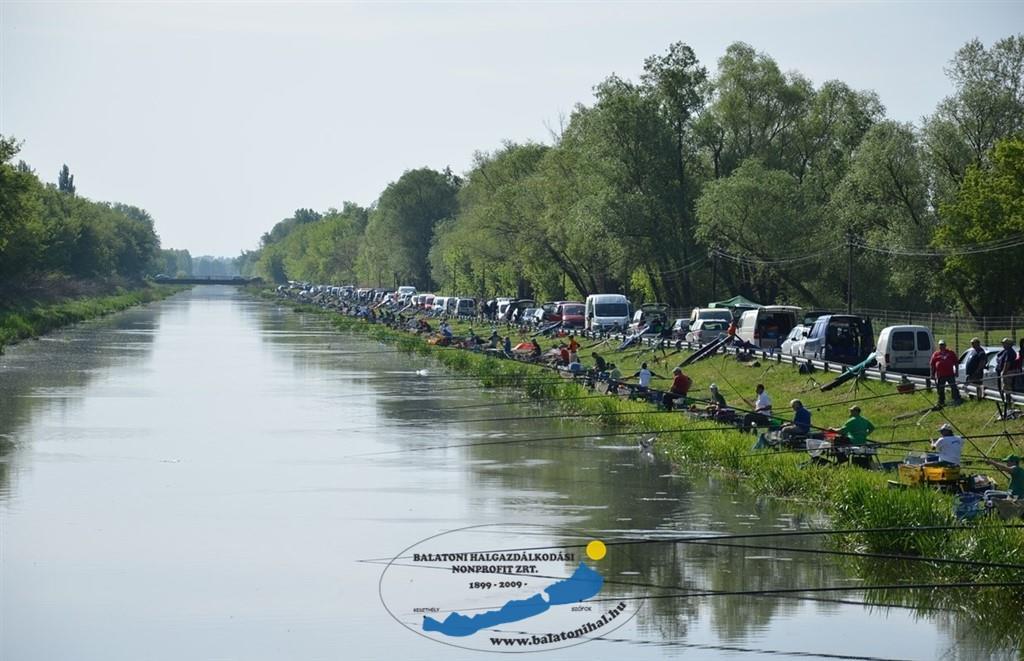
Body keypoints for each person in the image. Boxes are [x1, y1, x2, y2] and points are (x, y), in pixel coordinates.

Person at [929, 339, 962, 407]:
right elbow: (932, 364)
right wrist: (932, 374)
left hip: (950, 374)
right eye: (940, 345)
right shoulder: (936, 354)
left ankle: (956, 399)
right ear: (939, 346)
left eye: (943, 345)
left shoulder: (950, 352)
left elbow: (956, 362)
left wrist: (957, 371)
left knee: (953, 387)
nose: (942, 346)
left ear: (945, 345)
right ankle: (941, 401)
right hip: (940, 375)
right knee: (940, 388)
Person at [996, 338, 1017, 410]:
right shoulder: (1005, 351)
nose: (1003, 345)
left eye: (1004, 343)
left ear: (1009, 344)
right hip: (1004, 372)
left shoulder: (1010, 352)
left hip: (1007, 373)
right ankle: (1006, 405)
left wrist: (1003, 372)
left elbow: (1007, 363)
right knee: (1004, 389)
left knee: (1007, 389)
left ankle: (1008, 406)